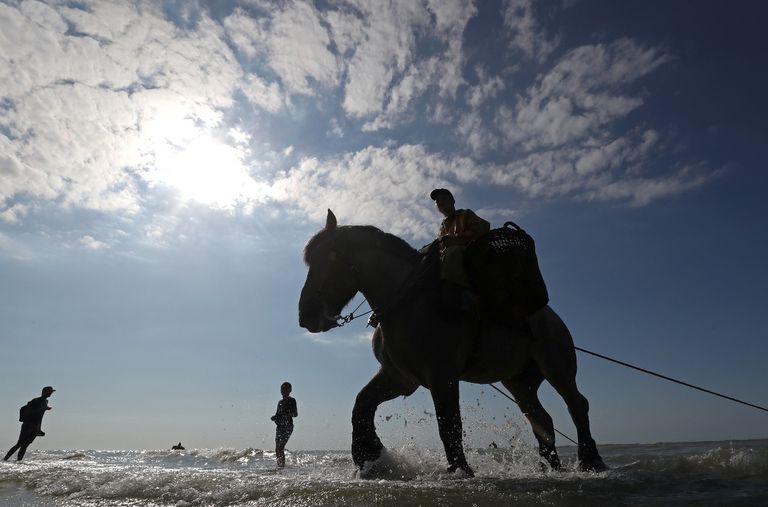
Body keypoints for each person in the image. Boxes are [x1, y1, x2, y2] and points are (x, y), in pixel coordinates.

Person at [430, 188, 490, 308]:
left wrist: (454, 239)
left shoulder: (466, 214)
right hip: (449, 263)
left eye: (443, 199)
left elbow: (480, 231)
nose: (439, 202)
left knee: (454, 251)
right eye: (437, 201)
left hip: (471, 256)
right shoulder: (441, 229)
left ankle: (457, 293)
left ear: (452, 201)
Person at [4, 386, 55, 462]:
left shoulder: (46, 401)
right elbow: (29, 411)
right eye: (50, 391)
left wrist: (38, 428)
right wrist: (41, 409)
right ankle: (5, 459)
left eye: (51, 392)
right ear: (44, 392)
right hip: (28, 425)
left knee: (25, 445)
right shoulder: (36, 400)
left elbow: (40, 417)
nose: (51, 393)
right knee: (19, 443)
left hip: (36, 426)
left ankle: (19, 462)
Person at [270, 382, 297, 468]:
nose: (283, 391)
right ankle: (279, 466)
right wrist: (274, 418)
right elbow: (277, 414)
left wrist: (288, 413)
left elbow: (295, 414)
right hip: (280, 427)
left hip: (288, 427)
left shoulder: (292, 400)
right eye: (282, 389)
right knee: (277, 449)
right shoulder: (280, 402)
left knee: (281, 447)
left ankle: (282, 467)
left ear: (290, 390)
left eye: (285, 389)